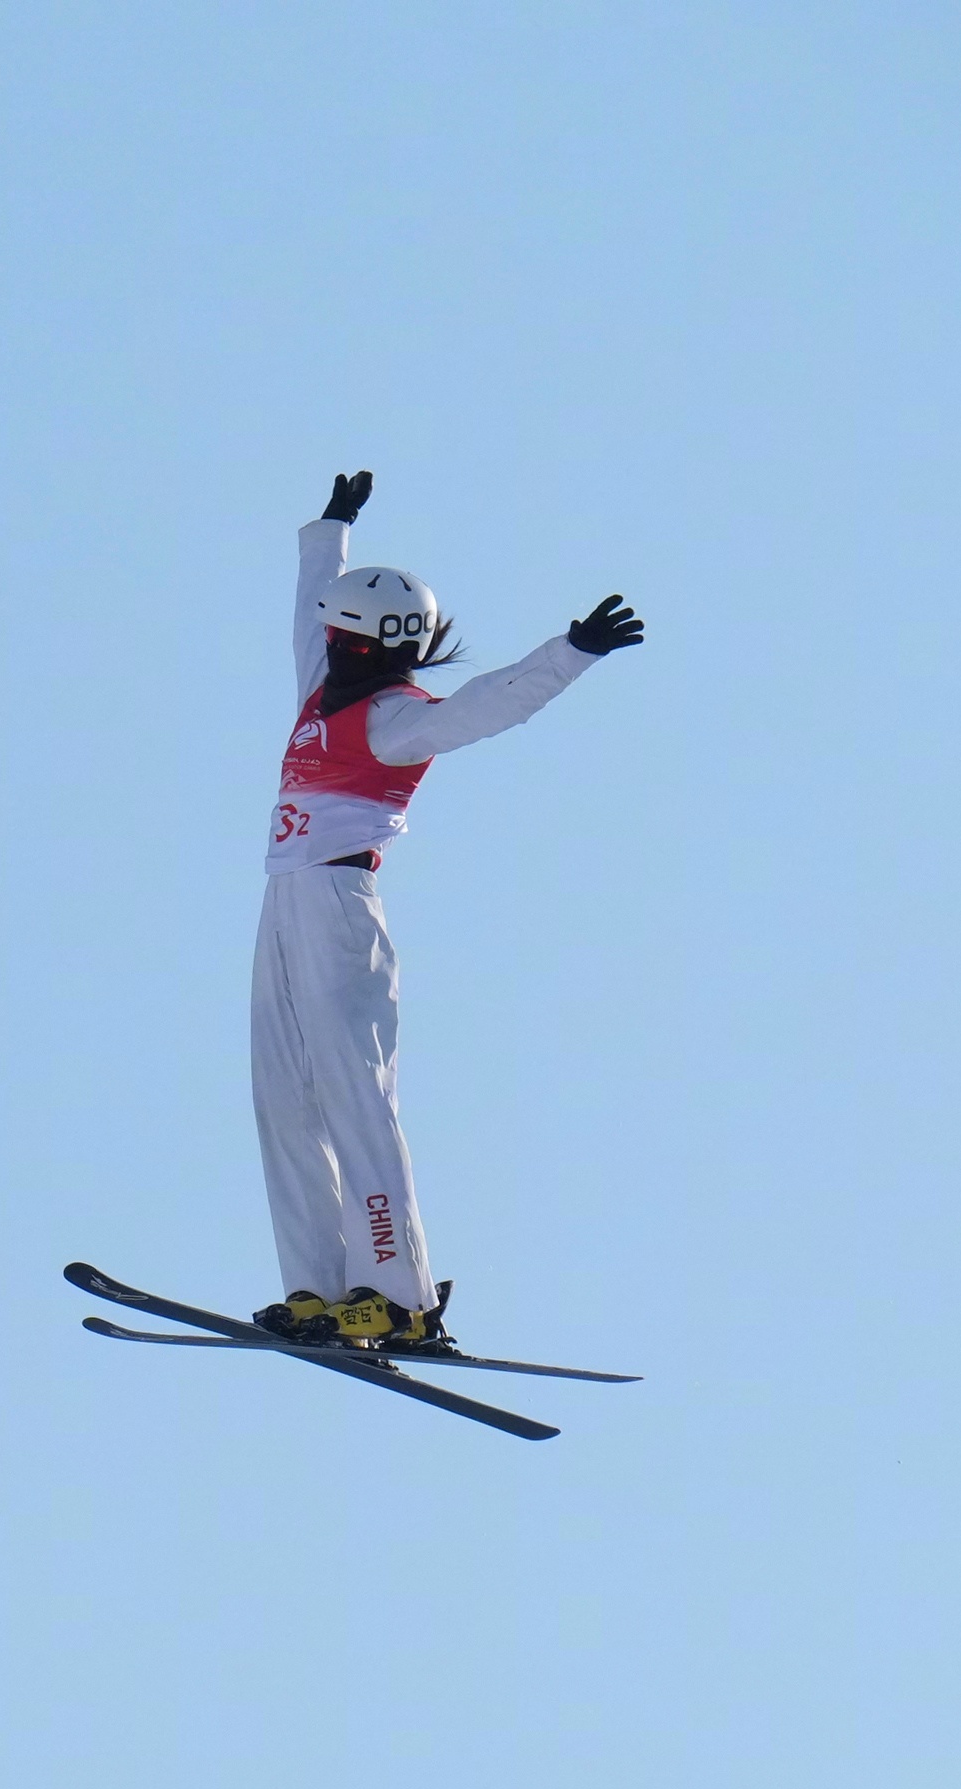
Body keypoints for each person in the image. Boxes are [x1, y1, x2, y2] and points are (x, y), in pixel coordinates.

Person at [250, 469, 643, 1349]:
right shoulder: (324, 686)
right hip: (284, 895)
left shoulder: (394, 719)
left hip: (338, 900)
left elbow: (485, 706)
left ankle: (398, 1297)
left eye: (345, 635)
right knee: (284, 1092)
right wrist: (329, 529)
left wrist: (568, 652)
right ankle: (315, 1288)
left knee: (353, 1093)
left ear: (370, 646)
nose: (331, 640)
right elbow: (309, 604)